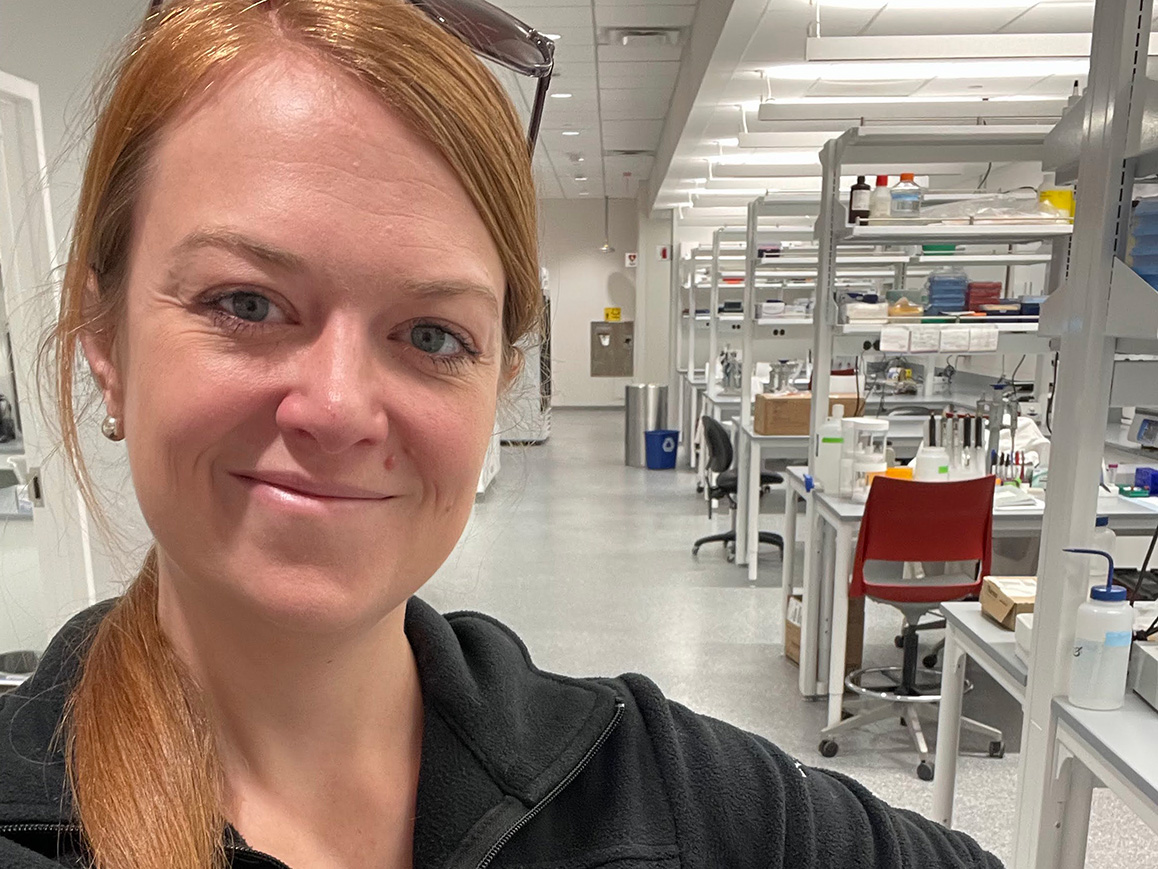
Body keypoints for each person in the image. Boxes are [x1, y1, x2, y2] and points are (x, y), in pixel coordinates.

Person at [0, 2, 1004, 868]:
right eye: (246, 302)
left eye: (432, 334)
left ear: (498, 383)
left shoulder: (654, 794)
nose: (339, 408)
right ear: (105, 339)